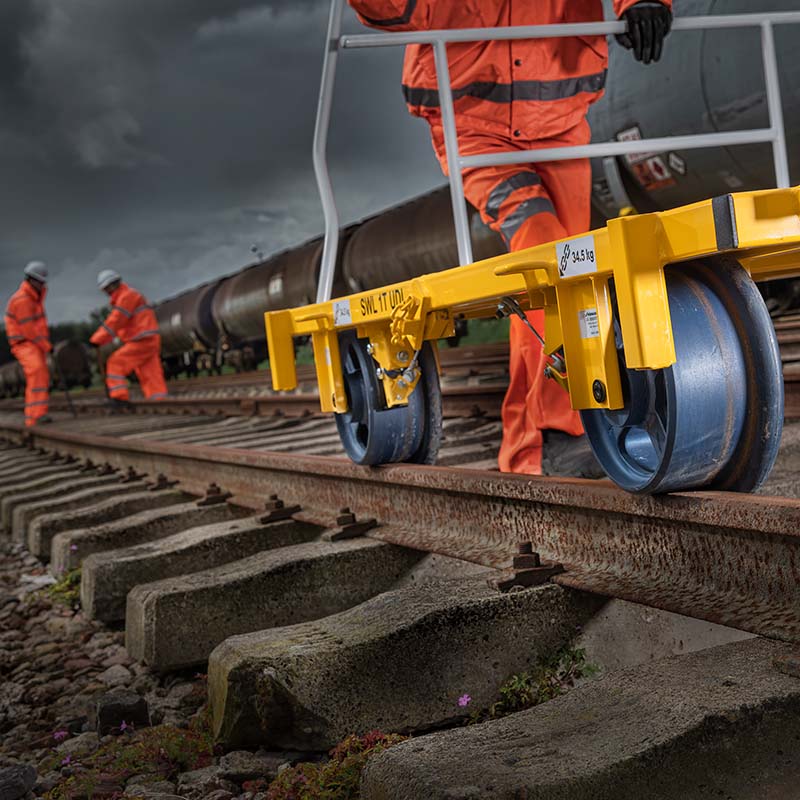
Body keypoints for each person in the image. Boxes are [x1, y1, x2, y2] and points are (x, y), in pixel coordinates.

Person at [347, 0, 672, 476]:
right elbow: (394, 9)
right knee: (547, 260)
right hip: (477, 134)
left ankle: (543, 442)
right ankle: (546, 440)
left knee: (579, 273)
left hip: (562, 124)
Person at [89, 270, 167, 407]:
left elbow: (116, 321)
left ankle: (119, 397)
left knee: (115, 363)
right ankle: (158, 401)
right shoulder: (128, 296)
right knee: (150, 374)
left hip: (141, 340)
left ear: (113, 285)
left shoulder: (127, 297)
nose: (107, 292)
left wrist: (97, 339)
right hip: (149, 339)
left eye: (107, 288)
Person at [4, 261, 53, 427]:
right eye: (39, 281)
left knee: (41, 376)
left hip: (33, 344)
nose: (41, 284)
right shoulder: (23, 300)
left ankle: (37, 414)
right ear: (31, 280)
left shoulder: (34, 298)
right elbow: (29, 330)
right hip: (24, 343)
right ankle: (34, 416)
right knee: (37, 371)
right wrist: (46, 346)